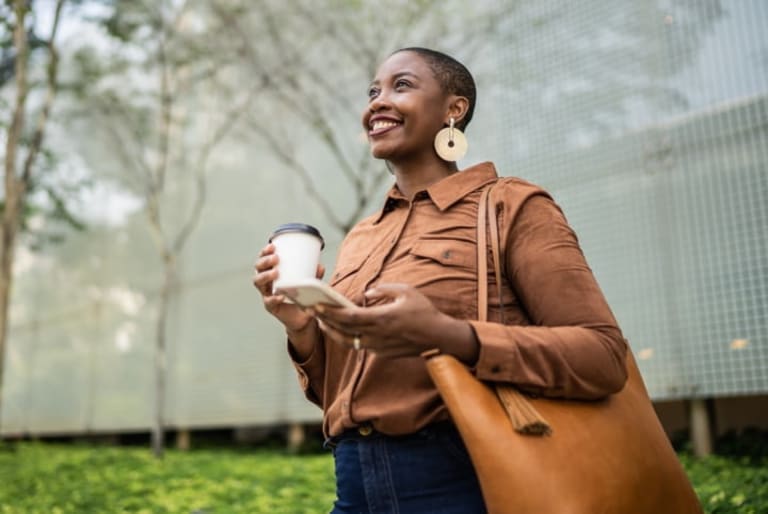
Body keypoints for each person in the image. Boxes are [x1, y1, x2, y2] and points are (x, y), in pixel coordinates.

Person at [253, 47, 628, 514]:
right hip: (353, 483)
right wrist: (299, 326)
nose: (377, 102)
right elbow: (343, 392)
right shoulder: (361, 237)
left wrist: (446, 335)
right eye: (373, 91)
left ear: (455, 109)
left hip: (462, 477)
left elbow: (604, 357)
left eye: (401, 85)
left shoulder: (511, 206)